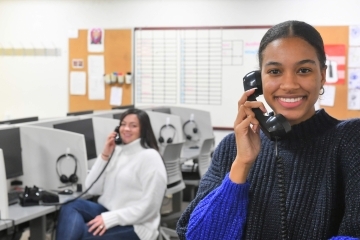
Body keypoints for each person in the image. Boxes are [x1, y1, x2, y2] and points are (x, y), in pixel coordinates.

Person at [176, 20, 360, 240]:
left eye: (304, 70)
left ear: (322, 75)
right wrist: (242, 164)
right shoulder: (232, 147)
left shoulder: (350, 140)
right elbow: (198, 236)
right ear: (258, 82)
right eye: (275, 71)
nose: (289, 84)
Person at [56, 108, 167, 240]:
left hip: (137, 225)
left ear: (143, 130)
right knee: (70, 205)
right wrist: (105, 155)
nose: (126, 129)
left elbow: (150, 208)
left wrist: (110, 219)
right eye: (123, 124)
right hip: (108, 211)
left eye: (133, 126)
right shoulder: (118, 151)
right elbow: (92, 188)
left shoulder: (150, 157)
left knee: (81, 234)